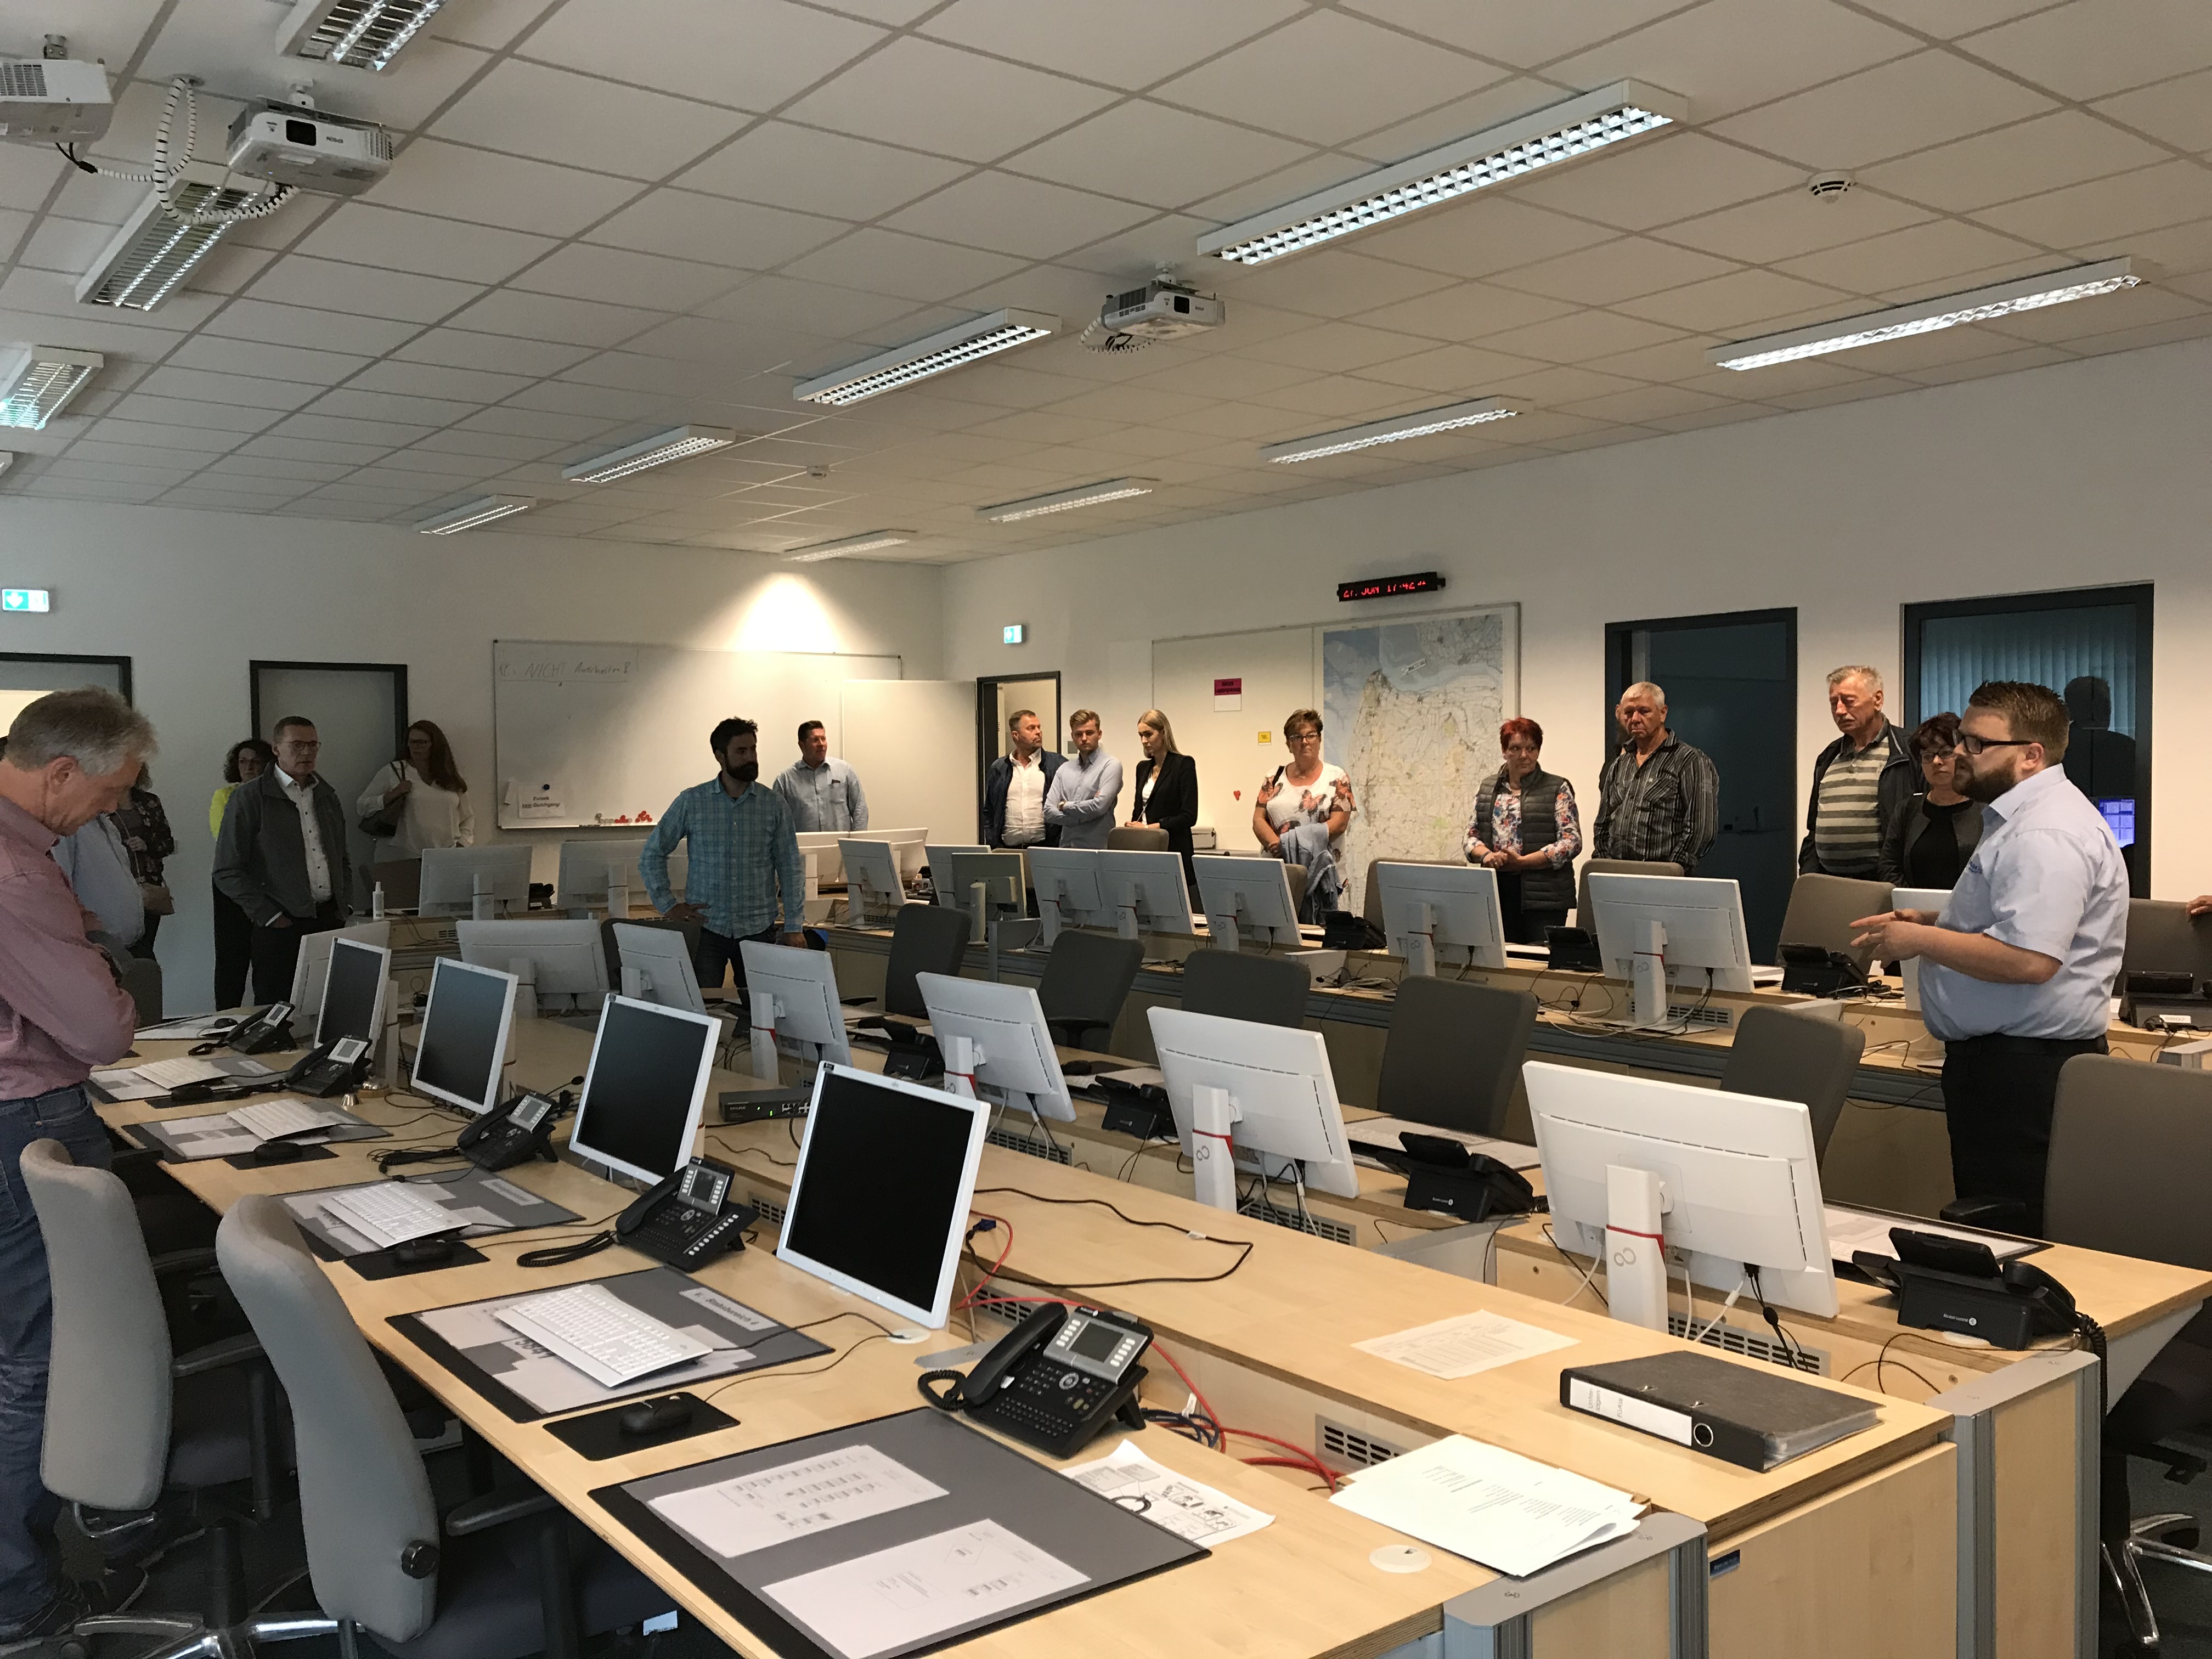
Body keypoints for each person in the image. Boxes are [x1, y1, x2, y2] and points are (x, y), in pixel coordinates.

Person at [1851, 681, 2126, 1236]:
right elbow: (2016, 921)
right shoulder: (2022, 819)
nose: (1960, 754)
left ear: (2031, 755)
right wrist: (1937, 922)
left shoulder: (2046, 832)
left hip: (2025, 1072)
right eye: (1962, 739)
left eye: (1978, 744)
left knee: (2016, 1232)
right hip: (2007, 1064)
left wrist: (1921, 942)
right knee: (1998, 1221)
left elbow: (2030, 960)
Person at [0, 689, 145, 1649]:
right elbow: (99, 1029)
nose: (115, 808)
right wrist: (107, 981)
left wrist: (82, 952)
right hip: (26, 1120)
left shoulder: (24, 854)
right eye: (111, 790)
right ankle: (17, 1594)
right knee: (33, 1364)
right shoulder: (15, 871)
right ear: (60, 772)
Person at [640, 716, 805, 992]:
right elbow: (652, 854)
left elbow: (790, 867)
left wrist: (794, 926)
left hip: (758, 928)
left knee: (762, 1008)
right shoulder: (692, 802)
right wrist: (668, 905)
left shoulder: (773, 805)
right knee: (703, 1005)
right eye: (741, 751)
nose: (750, 757)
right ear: (720, 756)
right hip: (707, 929)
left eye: (753, 749)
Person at [213, 716, 352, 1006]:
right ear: (276, 749)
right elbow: (226, 870)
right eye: (297, 745)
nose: (306, 752)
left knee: (328, 1005)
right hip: (280, 922)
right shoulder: (249, 798)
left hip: (328, 919)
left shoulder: (326, 795)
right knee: (276, 1012)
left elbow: (341, 858)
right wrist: (268, 915)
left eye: (313, 745)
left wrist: (345, 904)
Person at [1465, 717, 1581, 944]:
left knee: (1539, 960)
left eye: (1531, 748)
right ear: (1504, 751)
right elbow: (1471, 836)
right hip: (1498, 892)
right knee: (1502, 958)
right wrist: (1487, 856)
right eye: (1516, 748)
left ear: (1538, 751)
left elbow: (1572, 841)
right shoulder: (1488, 788)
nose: (1524, 755)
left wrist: (1524, 862)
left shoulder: (1557, 787)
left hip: (1545, 897)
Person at [1592, 681, 1719, 875]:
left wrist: (1672, 871)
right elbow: (1602, 823)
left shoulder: (1690, 760)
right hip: (1617, 875)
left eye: (1644, 711)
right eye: (1629, 712)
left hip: (1665, 877)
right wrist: (1605, 865)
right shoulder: (1619, 765)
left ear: (1663, 713)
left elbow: (1701, 829)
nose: (1635, 719)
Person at [1799, 665, 1912, 878]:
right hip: (1827, 881)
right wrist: (1809, 873)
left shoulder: (1907, 751)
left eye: (1848, 701)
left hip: (1883, 882)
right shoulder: (1828, 756)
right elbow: (1813, 828)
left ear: (1877, 700)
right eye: (1834, 703)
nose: (1840, 711)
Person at [1254, 708, 1355, 917]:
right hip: (1278, 871)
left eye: (1311, 735)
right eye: (1297, 737)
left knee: (1318, 931)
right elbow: (1258, 819)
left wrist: (1295, 846)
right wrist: (1279, 846)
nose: (1304, 741)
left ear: (1319, 739)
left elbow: (1339, 824)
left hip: (1321, 874)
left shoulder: (1337, 777)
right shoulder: (1274, 777)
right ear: (1289, 744)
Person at [1877, 714, 1982, 889]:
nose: (1936, 761)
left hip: (1970, 905)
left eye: (1946, 753)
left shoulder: (1988, 810)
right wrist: (1913, 899)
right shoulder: (1906, 810)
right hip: (1911, 904)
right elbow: (1889, 866)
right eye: (1927, 756)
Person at [209, 739, 273, 1010]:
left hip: (269, 885)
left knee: (267, 956)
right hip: (232, 883)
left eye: (255, 762)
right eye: (243, 762)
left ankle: (266, 1017)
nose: (248, 767)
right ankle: (225, 1017)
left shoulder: (275, 797)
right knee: (231, 957)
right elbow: (224, 837)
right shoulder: (225, 795)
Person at [356, 719, 473, 862]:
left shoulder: (449, 776)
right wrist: (394, 794)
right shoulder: (394, 771)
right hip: (401, 857)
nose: (416, 747)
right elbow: (362, 807)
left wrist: (461, 845)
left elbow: (467, 817)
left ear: (435, 745)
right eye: (412, 742)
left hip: (444, 857)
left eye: (422, 742)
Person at [51, 813, 142, 955]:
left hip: (126, 948)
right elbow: (59, 894)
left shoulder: (105, 823)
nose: (112, 807)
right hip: (96, 951)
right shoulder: (67, 827)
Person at [109, 770, 174, 957]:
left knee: (145, 947)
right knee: (118, 948)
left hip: (148, 884)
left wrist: (146, 845)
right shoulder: (99, 804)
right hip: (114, 885)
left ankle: (146, 975)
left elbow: (167, 843)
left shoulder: (149, 802)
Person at [1127, 709, 1198, 877]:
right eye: (1141, 736)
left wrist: (1150, 828)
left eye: (1148, 734)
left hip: (1172, 846)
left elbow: (1189, 816)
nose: (1144, 741)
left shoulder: (1184, 765)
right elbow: (1138, 810)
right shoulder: (1143, 768)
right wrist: (1134, 827)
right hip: (1145, 846)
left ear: (1163, 733)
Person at [1043, 709, 1122, 851]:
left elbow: (1098, 807)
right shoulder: (1064, 769)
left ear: (1099, 734)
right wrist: (1082, 819)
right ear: (1073, 737)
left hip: (1098, 851)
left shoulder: (1111, 766)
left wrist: (1064, 806)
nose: (1084, 738)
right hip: (1067, 849)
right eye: (1079, 734)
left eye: (1089, 733)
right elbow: (1048, 812)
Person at [983, 709, 1062, 850]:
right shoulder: (999, 768)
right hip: (1007, 850)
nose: (1038, 732)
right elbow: (989, 810)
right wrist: (993, 843)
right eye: (1031, 728)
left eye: (1039, 727)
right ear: (1016, 735)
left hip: (1046, 849)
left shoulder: (1057, 764)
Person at [772, 720, 869, 834]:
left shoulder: (845, 771)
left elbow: (860, 809)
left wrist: (857, 841)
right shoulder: (785, 780)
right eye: (815, 740)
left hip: (840, 844)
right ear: (802, 745)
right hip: (804, 845)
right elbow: (776, 820)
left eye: (823, 739)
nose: (821, 744)